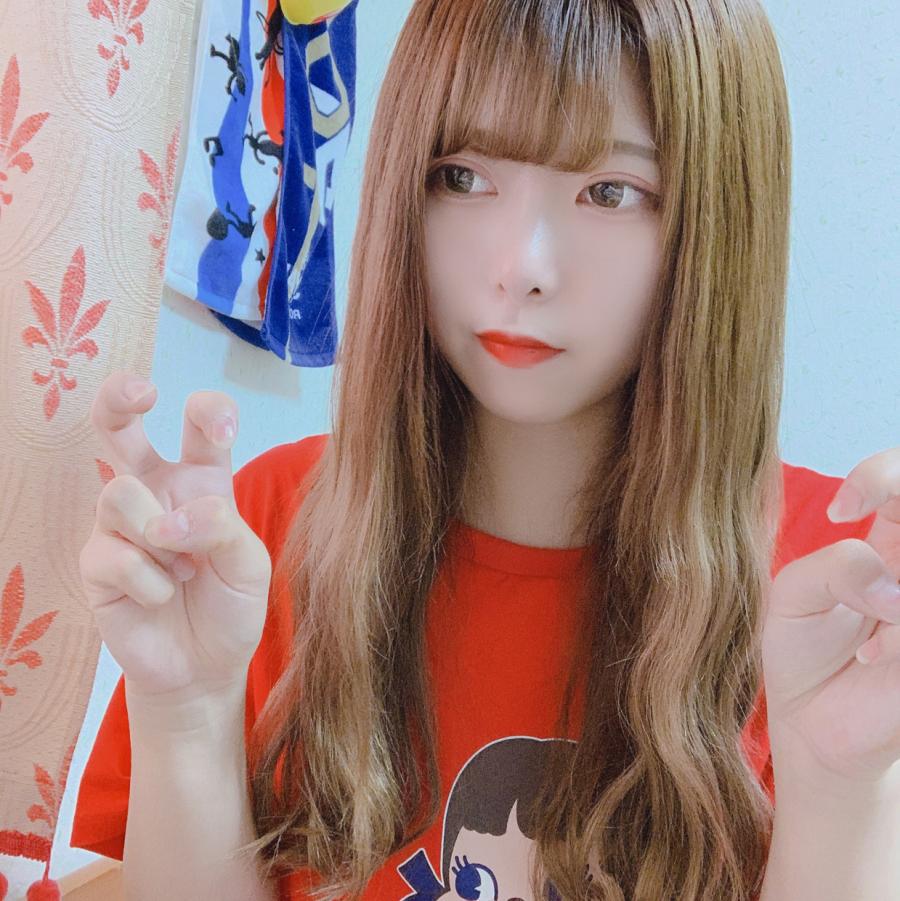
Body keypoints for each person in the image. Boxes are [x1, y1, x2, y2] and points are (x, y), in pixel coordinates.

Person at [69, 1, 888, 899]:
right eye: (461, 177)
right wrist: (186, 714)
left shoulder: (839, 594)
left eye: (609, 191)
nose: (521, 265)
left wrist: (840, 790)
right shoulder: (265, 537)